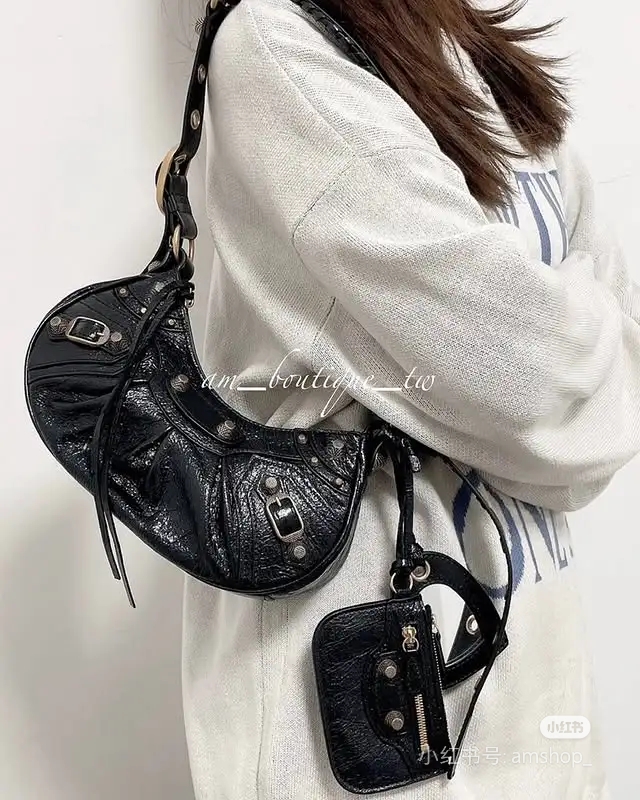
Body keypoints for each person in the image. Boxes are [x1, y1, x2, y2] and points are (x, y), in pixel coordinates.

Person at [181, 0, 637, 796]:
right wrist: (566, 350)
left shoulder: (479, 51)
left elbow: (605, 377)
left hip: (534, 680)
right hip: (371, 703)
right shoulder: (278, 43)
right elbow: (534, 378)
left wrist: (566, 369)